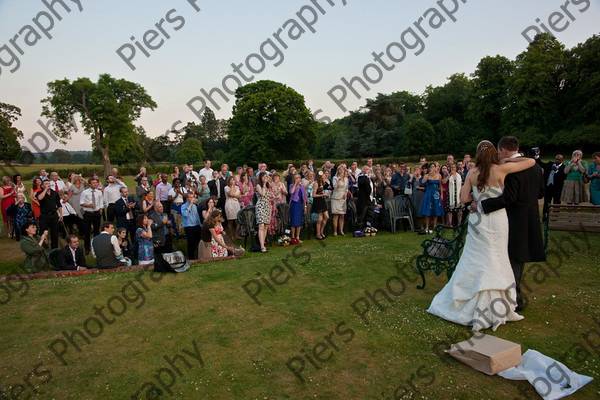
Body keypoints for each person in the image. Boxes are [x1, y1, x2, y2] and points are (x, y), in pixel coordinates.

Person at [427, 139, 537, 331]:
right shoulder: (501, 170)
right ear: (494, 154)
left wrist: (476, 198)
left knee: (475, 256)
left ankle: (469, 296)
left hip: (479, 220)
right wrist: (507, 162)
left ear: (477, 156)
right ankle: (498, 304)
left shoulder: (472, 173)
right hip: (498, 220)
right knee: (498, 257)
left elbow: (463, 199)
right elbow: (531, 162)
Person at [477, 136, 546, 312]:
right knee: (518, 260)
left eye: (499, 152)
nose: (499, 155)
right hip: (530, 219)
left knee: (511, 260)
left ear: (504, 150)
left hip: (514, 220)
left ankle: (514, 300)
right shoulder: (535, 167)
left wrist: (481, 204)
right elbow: (540, 194)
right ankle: (513, 298)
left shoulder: (511, 169)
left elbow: (509, 198)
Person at [535, 151, 565, 217]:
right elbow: (540, 164)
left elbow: (563, 176)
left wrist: (556, 170)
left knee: (556, 203)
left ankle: (555, 217)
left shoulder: (563, 168)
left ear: (562, 160)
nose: (556, 160)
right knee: (546, 202)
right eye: (556, 159)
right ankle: (545, 217)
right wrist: (537, 156)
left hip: (557, 188)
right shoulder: (550, 164)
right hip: (548, 187)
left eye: (558, 159)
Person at [36, 178, 63, 249]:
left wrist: (61, 214)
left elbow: (59, 204)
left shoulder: (54, 193)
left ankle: (54, 248)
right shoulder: (40, 193)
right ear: (42, 186)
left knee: (54, 233)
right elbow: (40, 198)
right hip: (44, 215)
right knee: (43, 233)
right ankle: (43, 247)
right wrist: (45, 190)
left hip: (54, 215)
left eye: (48, 184)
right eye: (46, 184)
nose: (48, 185)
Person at [80, 177, 103, 255]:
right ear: (89, 184)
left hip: (96, 213)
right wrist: (88, 205)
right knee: (87, 231)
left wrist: (100, 210)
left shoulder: (99, 192)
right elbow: (81, 203)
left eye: (96, 182)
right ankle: (87, 248)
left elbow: (100, 203)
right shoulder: (85, 192)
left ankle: (96, 247)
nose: (96, 184)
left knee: (96, 231)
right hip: (88, 213)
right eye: (93, 183)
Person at [420, 162, 444, 234]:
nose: (432, 168)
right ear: (429, 168)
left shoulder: (439, 175)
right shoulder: (427, 175)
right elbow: (423, 182)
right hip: (429, 194)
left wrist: (441, 194)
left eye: (434, 166)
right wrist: (427, 176)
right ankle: (427, 227)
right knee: (428, 210)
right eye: (431, 167)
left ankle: (434, 226)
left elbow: (440, 185)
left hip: (436, 194)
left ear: (436, 167)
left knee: (436, 211)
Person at [181, 192, 202, 259]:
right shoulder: (183, 206)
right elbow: (185, 214)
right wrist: (190, 205)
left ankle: (198, 256)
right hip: (189, 226)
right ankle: (191, 257)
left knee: (198, 241)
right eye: (190, 197)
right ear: (187, 198)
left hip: (196, 225)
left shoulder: (195, 206)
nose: (192, 199)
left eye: (193, 197)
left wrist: (200, 225)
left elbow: (197, 216)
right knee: (191, 243)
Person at [289, 173, 307, 245]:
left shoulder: (302, 186)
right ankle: (293, 237)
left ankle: (298, 237)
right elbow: (291, 192)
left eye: (298, 177)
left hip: (300, 204)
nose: (297, 179)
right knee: (294, 221)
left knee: (299, 221)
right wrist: (295, 184)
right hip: (294, 204)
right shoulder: (291, 185)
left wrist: (305, 206)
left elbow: (304, 197)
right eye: (296, 178)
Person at [255, 172, 271, 252]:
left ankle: (263, 244)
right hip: (260, 206)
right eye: (264, 177)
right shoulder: (258, 186)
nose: (265, 178)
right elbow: (263, 194)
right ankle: (261, 246)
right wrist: (264, 184)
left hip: (267, 207)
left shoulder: (268, 186)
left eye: (266, 177)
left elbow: (268, 197)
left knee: (265, 226)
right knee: (261, 225)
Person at [331, 166, 348, 236]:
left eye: (343, 170)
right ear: (338, 171)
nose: (341, 171)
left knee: (342, 215)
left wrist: (346, 193)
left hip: (343, 198)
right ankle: (335, 231)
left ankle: (341, 230)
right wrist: (339, 179)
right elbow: (334, 186)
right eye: (340, 169)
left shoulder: (346, 179)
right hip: (336, 197)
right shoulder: (335, 178)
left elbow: (346, 188)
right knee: (336, 215)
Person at [312, 172, 330, 240]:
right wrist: (323, 195)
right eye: (322, 176)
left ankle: (322, 231)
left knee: (326, 216)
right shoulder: (316, 183)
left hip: (322, 201)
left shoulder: (322, 182)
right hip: (318, 201)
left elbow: (328, 186)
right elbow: (314, 195)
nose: (323, 177)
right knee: (320, 219)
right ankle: (318, 234)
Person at [357, 166, 375, 230]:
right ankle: (360, 229)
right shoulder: (361, 177)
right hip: (363, 200)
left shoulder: (371, 179)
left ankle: (369, 228)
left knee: (370, 214)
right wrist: (365, 175)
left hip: (371, 199)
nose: (368, 170)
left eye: (369, 169)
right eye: (366, 169)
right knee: (362, 215)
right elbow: (361, 182)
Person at [410, 166, 426, 232]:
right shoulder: (413, 179)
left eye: (418, 170)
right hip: (414, 196)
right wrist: (411, 177)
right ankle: (416, 225)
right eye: (415, 170)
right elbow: (408, 184)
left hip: (421, 195)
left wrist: (419, 188)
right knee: (415, 209)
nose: (417, 171)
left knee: (420, 210)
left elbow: (425, 187)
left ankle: (422, 225)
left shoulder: (423, 178)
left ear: (420, 171)